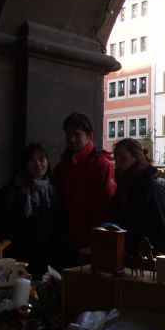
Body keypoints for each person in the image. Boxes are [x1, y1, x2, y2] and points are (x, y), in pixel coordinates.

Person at [0, 143, 63, 279]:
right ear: (24, 164)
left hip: (48, 258)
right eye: (32, 161)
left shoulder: (54, 189)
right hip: (19, 261)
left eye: (41, 159)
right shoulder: (12, 191)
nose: (38, 165)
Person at [54, 113, 116, 263]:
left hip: (90, 246)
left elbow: (107, 209)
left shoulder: (102, 166)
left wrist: (98, 244)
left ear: (90, 135)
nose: (71, 139)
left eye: (77, 134)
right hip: (64, 242)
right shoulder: (62, 167)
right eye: (68, 134)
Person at [108, 138, 165, 256]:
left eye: (123, 158)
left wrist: (150, 256)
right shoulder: (123, 187)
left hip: (144, 260)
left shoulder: (151, 189)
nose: (117, 163)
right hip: (124, 256)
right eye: (116, 158)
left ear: (136, 158)